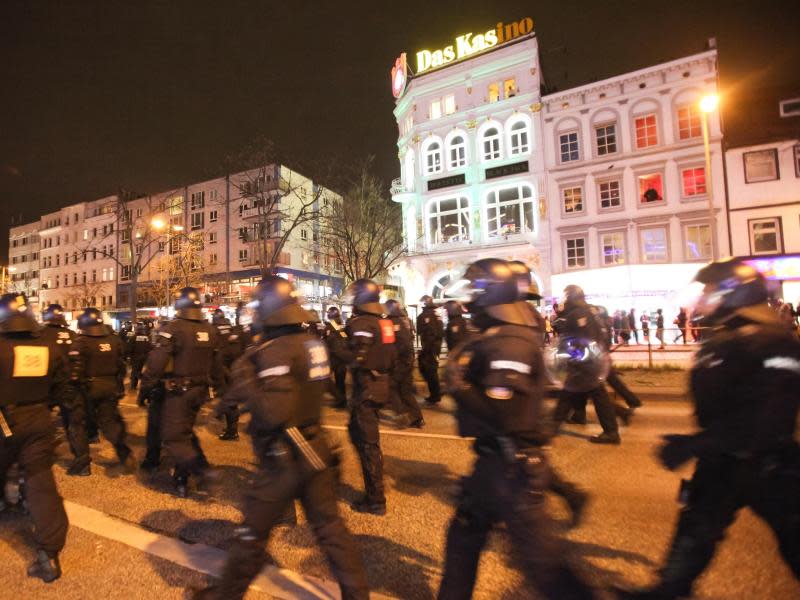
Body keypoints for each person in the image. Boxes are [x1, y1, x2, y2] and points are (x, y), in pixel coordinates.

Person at [618, 258, 800, 599]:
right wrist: (700, 444)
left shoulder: (773, 341)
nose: (703, 298)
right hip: (721, 461)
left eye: (710, 290)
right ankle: (667, 591)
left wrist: (694, 445)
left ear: (732, 293)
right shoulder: (727, 337)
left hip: (771, 466)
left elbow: (766, 419)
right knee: (695, 531)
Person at [190, 276, 369, 600]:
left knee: (251, 534)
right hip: (315, 445)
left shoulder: (275, 350)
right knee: (330, 529)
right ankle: (357, 595)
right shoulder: (311, 342)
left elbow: (274, 411)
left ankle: (224, 596)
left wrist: (247, 379)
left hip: (283, 456)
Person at [438, 259, 599, 599]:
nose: (467, 306)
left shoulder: (509, 341)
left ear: (490, 296)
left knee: (547, 570)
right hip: (495, 465)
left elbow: (504, 413)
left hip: (510, 471)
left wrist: (459, 386)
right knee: (462, 543)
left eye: (474, 296)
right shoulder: (500, 334)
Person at [0, 294, 72, 582]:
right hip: (40, 419)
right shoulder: (48, 346)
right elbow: (62, 385)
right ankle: (49, 555)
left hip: (4, 419)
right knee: (41, 484)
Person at [139, 287, 224, 497]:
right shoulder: (211, 330)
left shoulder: (174, 329)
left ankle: (202, 471)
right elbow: (217, 363)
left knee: (173, 437)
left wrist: (146, 388)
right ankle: (182, 479)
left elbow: (156, 362)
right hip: (200, 391)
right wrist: (220, 388)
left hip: (179, 392)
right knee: (185, 432)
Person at [331, 279, 396, 515]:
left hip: (366, 387)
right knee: (360, 436)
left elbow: (355, 357)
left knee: (367, 443)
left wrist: (335, 341)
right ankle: (374, 489)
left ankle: (375, 499)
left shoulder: (363, 323)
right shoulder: (384, 322)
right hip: (380, 384)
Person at [66, 308, 136, 476]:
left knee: (77, 424)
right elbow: (122, 366)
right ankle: (124, 454)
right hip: (109, 387)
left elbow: (75, 372)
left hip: (85, 389)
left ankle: (82, 464)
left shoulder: (80, 342)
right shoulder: (114, 340)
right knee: (110, 422)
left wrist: (69, 392)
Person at [552, 285, 621, 444]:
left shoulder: (578, 314)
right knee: (583, 394)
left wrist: (573, 356)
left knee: (571, 394)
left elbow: (580, 339)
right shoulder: (591, 311)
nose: (564, 300)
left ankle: (553, 427)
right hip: (593, 359)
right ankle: (608, 429)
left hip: (585, 362)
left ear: (571, 297)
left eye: (566, 297)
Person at [385, 299, 424, 429]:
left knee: (391, 388)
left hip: (400, 363)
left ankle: (401, 415)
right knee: (406, 391)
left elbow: (390, 346)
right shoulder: (403, 321)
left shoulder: (389, 324)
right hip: (408, 361)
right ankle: (417, 418)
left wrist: (393, 361)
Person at [212, 308, 244, 441]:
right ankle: (231, 427)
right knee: (231, 399)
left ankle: (232, 431)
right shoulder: (232, 330)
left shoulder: (214, 329)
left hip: (222, 369)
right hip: (234, 368)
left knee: (227, 399)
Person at [416, 295, 443, 405]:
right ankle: (435, 394)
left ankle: (435, 395)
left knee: (429, 371)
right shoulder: (437, 315)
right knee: (432, 371)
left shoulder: (425, 316)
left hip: (429, 348)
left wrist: (426, 350)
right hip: (435, 347)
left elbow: (428, 333)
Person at [323, 306, 348, 409]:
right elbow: (345, 339)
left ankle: (340, 399)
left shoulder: (331, 326)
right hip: (342, 357)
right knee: (340, 380)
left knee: (325, 379)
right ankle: (342, 401)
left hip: (334, 357)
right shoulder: (341, 325)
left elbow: (328, 341)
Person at [128, 320, 152, 391]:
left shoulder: (134, 337)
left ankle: (133, 386)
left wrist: (129, 356)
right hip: (144, 357)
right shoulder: (146, 337)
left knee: (135, 371)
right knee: (140, 370)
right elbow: (149, 347)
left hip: (136, 357)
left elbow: (130, 348)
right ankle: (142, 380)